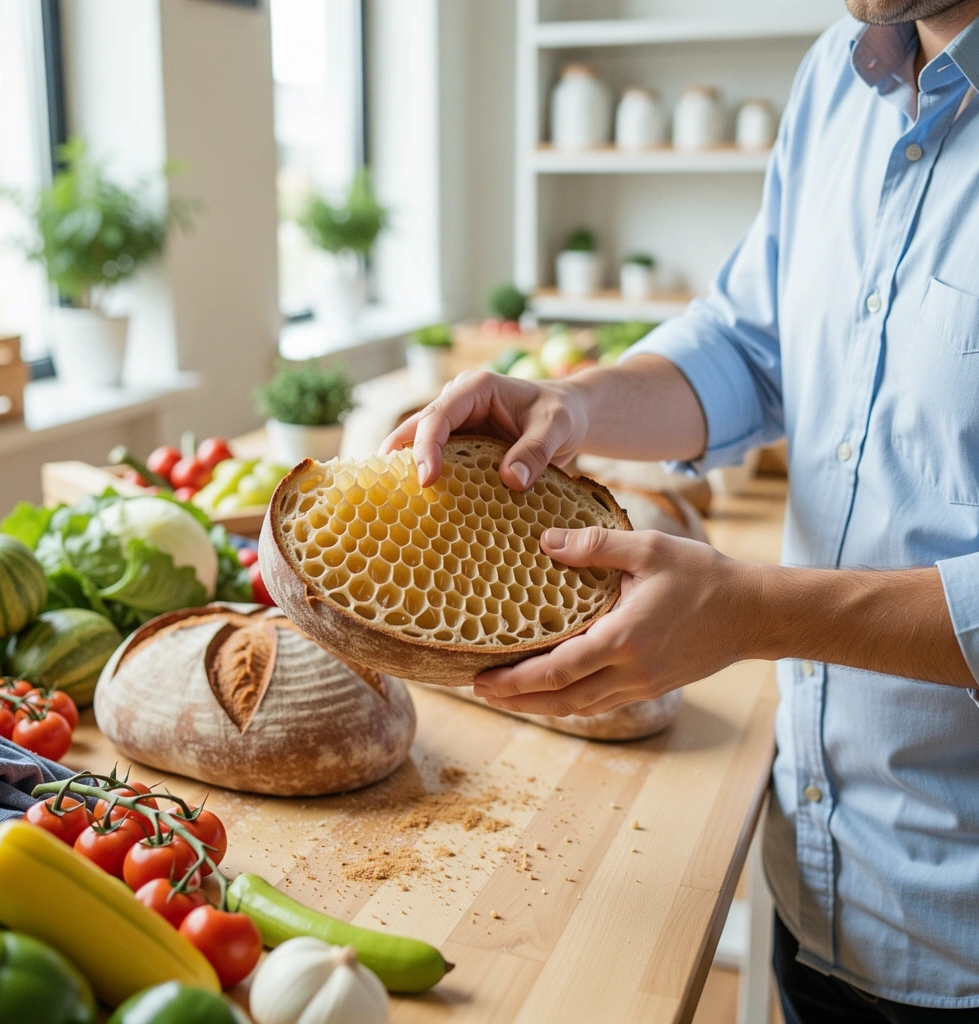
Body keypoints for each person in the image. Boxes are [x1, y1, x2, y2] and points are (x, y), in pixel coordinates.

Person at [383, 1, 979, 1020]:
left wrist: (753, 613)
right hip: (827, 884)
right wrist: (576, 402)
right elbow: (752, 346)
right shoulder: (834, 80)